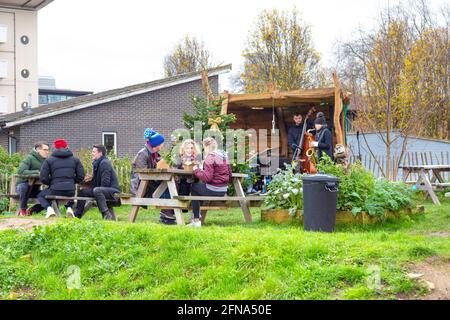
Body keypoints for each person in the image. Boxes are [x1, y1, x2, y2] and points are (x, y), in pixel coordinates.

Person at [130, 128, 175, 225]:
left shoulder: (154, 154)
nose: (163, 145)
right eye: (162, 143)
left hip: (149, 183)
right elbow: (142, 174)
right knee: (166, 185)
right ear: (156, 144)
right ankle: (166, 214)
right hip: (141, 187)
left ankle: (168, 213)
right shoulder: (143, 154)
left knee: (171, 183)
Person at [190, 137, 232, 228]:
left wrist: (196, 170)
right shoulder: (224, 156)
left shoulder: (210, 157)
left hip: (214, 189)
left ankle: (196, 220)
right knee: (199, 187)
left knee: (194, 187)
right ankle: (197, 217)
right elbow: (230, 174)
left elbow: (207, 178)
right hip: (223, 190)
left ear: (206, 146)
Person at [37, 139, 85, 218]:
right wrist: (72, 181)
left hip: (55, 190)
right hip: (70, 190)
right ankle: (69, 208)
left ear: (55, 148)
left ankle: (49, 209)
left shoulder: (49, 160)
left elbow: (43, 177)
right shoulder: (75, 160)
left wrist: (51, 183)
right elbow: (81, 176)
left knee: (40, 195)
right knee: (70, 193)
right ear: (66, 147)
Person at [73, 145, 121, 220]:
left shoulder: (104, 163)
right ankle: (77, 214)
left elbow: (105, 183)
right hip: (102, 190)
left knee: (97, 190)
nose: (92, 153)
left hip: (113, 191)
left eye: (94, 152)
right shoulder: (97, 163)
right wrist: (88, 181)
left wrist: (93, 184)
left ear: (100, 153)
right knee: (83, 192)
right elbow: (97, 183)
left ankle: (106, 214)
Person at [16, 142, 50, 216]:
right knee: (24, 187)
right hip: (22, 187)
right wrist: (37, 172)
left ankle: (32, 210)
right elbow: (21, 171)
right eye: (45, 150)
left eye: (48, 150)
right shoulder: (29, 158)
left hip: (34, 189)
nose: (47, 152)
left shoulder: (46, 161)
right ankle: (23, 209)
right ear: (38, 149)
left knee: (50, 195)